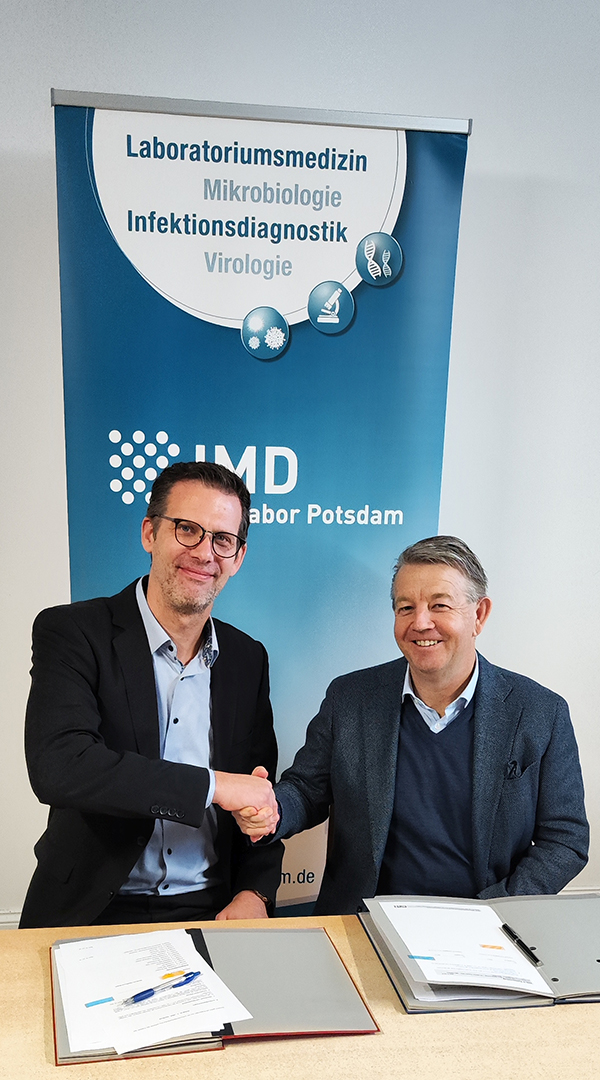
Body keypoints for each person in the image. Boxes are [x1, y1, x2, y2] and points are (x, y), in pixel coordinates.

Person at [235, 536, 589, 915]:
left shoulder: (539, 712)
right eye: (406, 607)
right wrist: (271, 810)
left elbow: (565, 838)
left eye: (439, 605)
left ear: (479, 615)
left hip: (485, 924)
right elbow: (307, 791)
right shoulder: (351, 698)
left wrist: (491, 912)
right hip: (365, 919)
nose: (420, 623)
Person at [20, 461, 282, 928]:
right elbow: (60, 766)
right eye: (187, 530)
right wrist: (214, 786)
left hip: (212, 907)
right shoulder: (73, 632)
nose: (205, 553)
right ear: (149, 534)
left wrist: (255, 892)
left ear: (238, 557)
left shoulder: (248, 658)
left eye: (223, 540)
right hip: (93, 908)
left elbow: (259, 794)